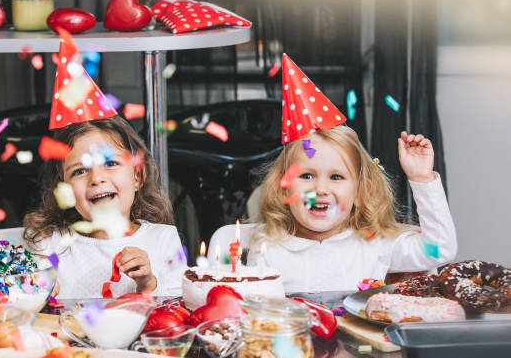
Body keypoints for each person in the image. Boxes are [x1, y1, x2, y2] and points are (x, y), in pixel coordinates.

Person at [210, 126, 457, 292]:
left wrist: (422, 178)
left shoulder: (376, 244)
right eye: (307, 175)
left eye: (336, 177)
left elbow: (440, 251)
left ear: (361, 192)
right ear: (284, 189)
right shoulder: (268, 248)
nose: (321, 188)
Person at [23, 116, 187, 298]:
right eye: (79, 171)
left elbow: (180, 309)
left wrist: (148, 284)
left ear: (137, 177)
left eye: (110, 163)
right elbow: (27, 310)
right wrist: (38, 293)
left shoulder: (163, 239)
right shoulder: (48, 243)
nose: (96, 178)